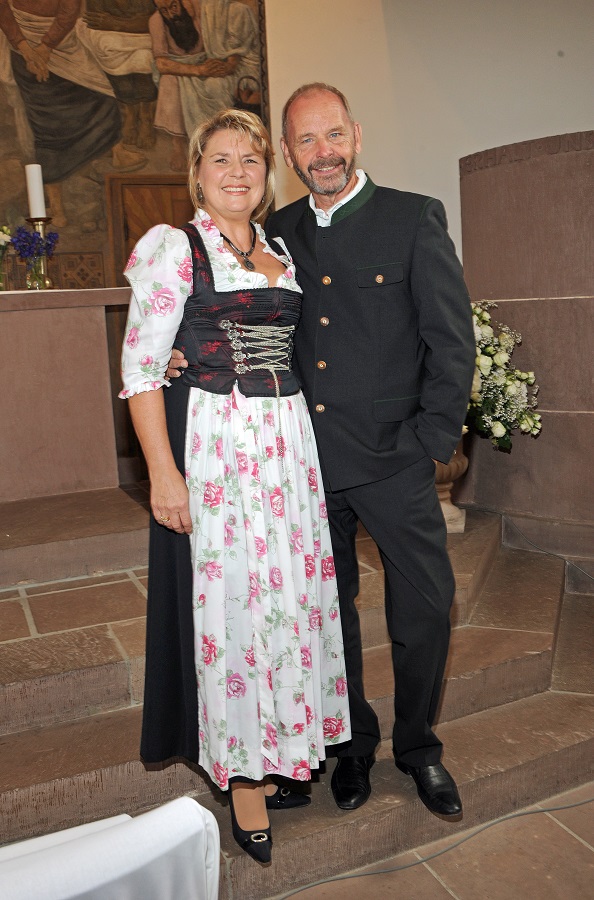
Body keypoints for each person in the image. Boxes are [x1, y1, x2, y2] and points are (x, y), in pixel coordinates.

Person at [168, 83, 476, 820]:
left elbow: (450, 338)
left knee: (426, 608)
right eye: (305, 142)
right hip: (304, 466)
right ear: (288, 153)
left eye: (332, 136)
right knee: (323, 614)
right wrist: (180, 357)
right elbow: (226, 309)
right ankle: (353, 747)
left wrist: (431, 443)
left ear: (356, 136)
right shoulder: (275, 232)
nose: (322, 154)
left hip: (396, 458)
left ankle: (418, 747)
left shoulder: (411, 216)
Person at [119, 108, 351, 864]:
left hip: (287, 448)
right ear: (197, 173)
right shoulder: (173, 248)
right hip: (220, 450)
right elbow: (142, 371)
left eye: (250, 159)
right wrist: (163, 474)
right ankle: (243, 777)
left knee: (284, 602)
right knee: (235, 608)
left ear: (266, 171)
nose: (238, 172)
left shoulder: (279, 246)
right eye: (221, 160)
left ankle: (284, 747)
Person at [149, 0, 260, 170]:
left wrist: (222, 65)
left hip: (209, 63)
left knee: (217, 85)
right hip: (184, 68)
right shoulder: (156, 21)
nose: (171, 15)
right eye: (164, 10)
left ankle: (222, 144)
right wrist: (199, 70)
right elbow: (162, 64)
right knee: (169, 82)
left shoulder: (206, 10)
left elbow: (225, 47)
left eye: (173, 6)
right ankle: (178, 146)